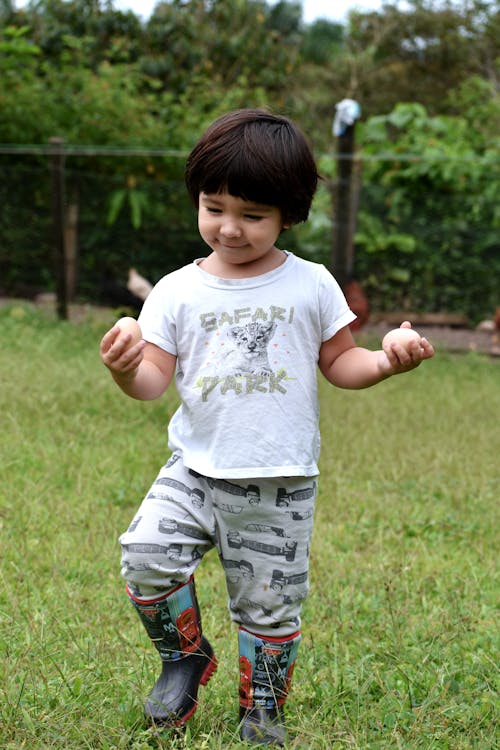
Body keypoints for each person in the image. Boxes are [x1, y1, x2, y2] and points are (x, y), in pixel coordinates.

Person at [100, 108, 434, 746]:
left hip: (277, 481)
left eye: (251, 215)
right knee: (145, 555)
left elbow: (340, 362)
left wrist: (388, 360)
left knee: (268, 607)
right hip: (194, 469)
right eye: (213, 206)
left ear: (287, 215)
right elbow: (151, 381)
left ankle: (262, 710)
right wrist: (123, 368)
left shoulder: (310, 285)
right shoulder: (175, 291)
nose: (229, 228)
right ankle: (185, 658)